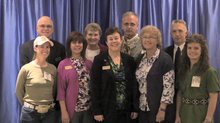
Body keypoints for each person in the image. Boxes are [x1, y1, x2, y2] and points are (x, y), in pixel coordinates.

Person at [91, 27, 138, 123]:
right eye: (111, 39)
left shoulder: (129, 60)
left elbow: (134, 85)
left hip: (126, 110)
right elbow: (95, 86)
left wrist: (135, 108)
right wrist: (97, 111)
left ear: (121, 40)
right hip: (106, 110)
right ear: (106, 42)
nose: (114, 41)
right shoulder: (99, 60)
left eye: (116, 38)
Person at [175, 34, 220, 123]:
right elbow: (180, 94)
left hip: (201, 115)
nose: (192, 51)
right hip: (184, 114)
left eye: (196, 48)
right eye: (189, 48)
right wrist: (177, 116)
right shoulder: (183, 70)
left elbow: (213, 96)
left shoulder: (209, 72)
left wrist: (208, 118)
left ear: (202, 51)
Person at [136, 25, 174, 123]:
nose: (147, 40)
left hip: (158, 109)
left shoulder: (165, 59)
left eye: (151, 37)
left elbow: (168, 87)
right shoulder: (140, 59)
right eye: (145, 37)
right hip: (142, 108)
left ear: (157, 40)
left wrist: (162, 110)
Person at [16, 36, 57, 123]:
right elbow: (19, 91)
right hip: (30, 113)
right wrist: (28, 106)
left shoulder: (53, 69)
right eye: (42, 46)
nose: (45, 49)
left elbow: (54, 89)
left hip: (49, 113)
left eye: (47, 47)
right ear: (35, 48)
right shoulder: (26, 69)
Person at [56, 32, 93, 123]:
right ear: (69, 45)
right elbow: (61, 91)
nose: (77, 45)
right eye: (74, 42)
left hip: (88, 110)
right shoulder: (63, 64)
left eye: (80, 42)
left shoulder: (89, 63)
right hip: (72, 110)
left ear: (83, 45)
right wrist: (64, 112)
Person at [164, 19, 188, 123]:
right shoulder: (164, 52)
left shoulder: (193, 50)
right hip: (169, 99)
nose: (177, 34)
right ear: (170, 33)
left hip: (188, 96)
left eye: (180, 31)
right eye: (174, 31)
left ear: (186, 32)